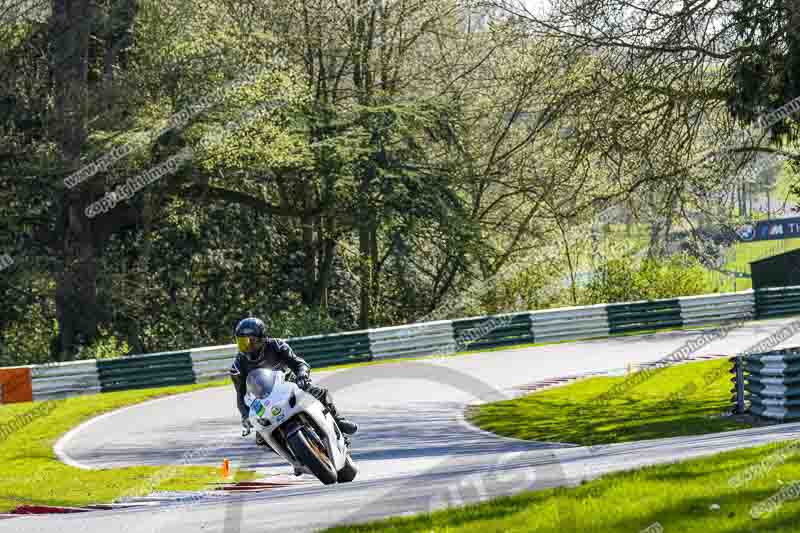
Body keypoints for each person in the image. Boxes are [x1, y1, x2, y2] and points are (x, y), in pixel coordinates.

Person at [229, 317, 358, 448]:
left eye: (251, 341)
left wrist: (302, 375)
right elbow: (241, 395)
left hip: (290, 387)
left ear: (262, 338)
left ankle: (338, 422)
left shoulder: (276, 346)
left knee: (319, 392)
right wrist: (246, 416)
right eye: (242, 342)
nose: (247, 346)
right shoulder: (238, 365)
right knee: (261, 440)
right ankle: (296, 459)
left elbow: (299, 363)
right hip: (264, 400)